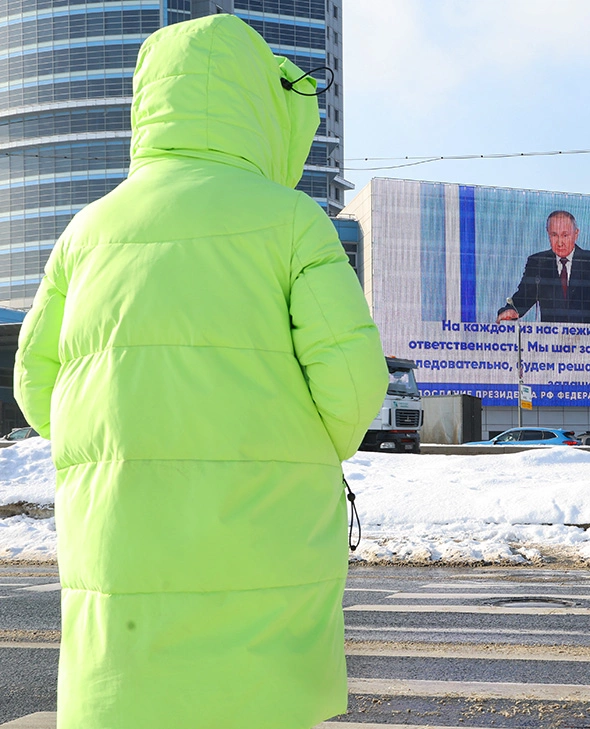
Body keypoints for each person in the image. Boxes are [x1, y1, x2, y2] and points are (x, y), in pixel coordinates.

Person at [13, 15, 389, 729]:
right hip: (264, 565)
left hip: (121, 579)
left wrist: (112, 436)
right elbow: (353, 383)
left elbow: (35, 386)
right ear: (258, 108)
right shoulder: (292, 221)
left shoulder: (86, 231)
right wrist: (300, 443)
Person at [497, 210, 590, 326]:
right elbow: (524, 296)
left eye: (565, 235)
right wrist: (511, 310)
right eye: (554, 235)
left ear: (576, 234)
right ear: (548, 234)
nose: (560, 242)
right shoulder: (538, 263)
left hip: (589, 345)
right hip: (550, 346)